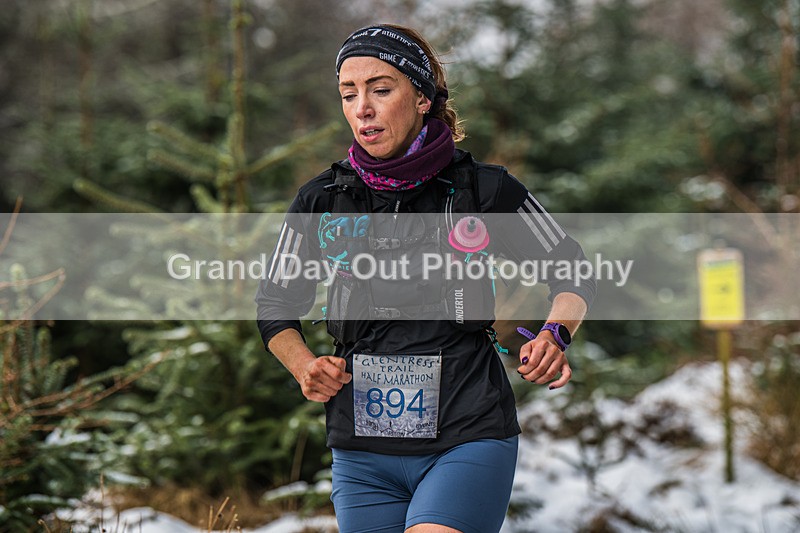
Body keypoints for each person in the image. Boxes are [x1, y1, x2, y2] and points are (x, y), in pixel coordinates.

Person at [256, 23, 595, 533]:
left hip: (468, 431)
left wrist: (555, 332)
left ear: (421, 98)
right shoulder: (321, 200)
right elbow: (276, 301)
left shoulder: (486, 190)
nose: (362, 108)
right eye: (349, 94)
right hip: (362, 450)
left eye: (381, 89)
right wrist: (304, 365)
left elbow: (572, 270)